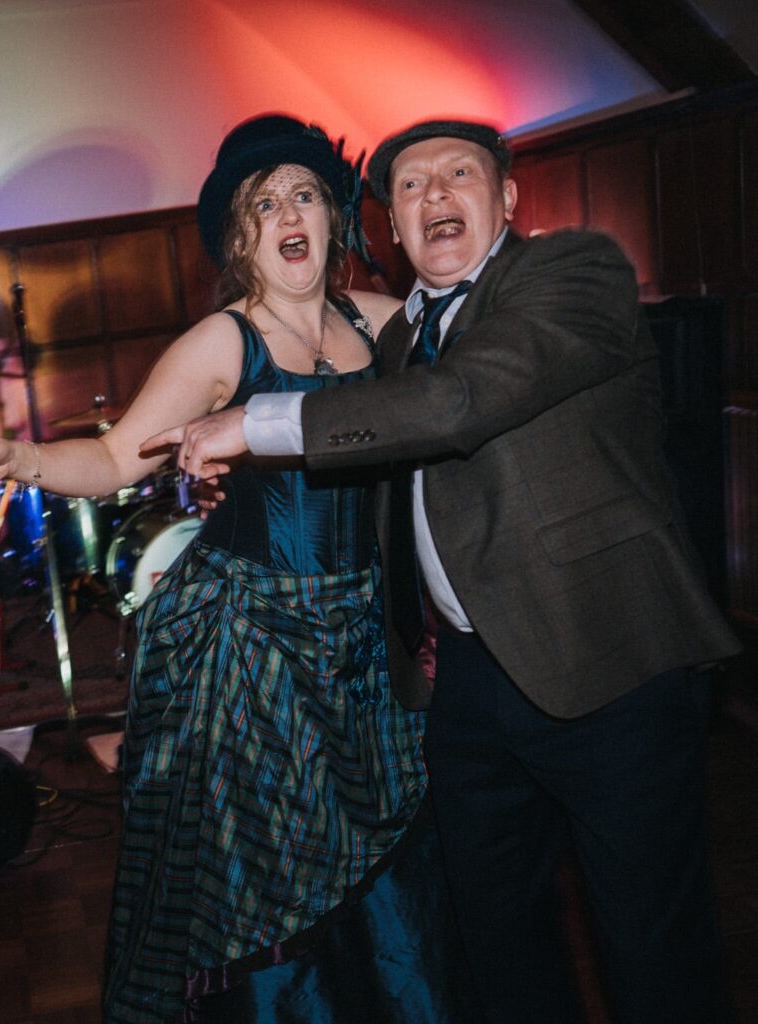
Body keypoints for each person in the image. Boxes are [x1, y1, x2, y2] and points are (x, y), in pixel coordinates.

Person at [151, 119, 741, 1024]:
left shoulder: (572, 275)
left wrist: (253, 425)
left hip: (607, 663)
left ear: (507, 198)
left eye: (456, 174)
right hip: (463, 688)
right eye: (411, 188)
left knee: (651, 948)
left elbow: (459, 404)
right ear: (391, 228)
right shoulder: (396, 341)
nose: (432, 196)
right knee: (499, 944)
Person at [0, 114, 473, 1023]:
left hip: (370, 646)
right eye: (265, 205)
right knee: (277, 869)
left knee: (388, 861)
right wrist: (19, 460)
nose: (288, 213)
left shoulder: (389, 326)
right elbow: (114, 462)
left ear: (335, 218)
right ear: (241, 238)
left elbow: (477, 391)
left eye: (304, 193)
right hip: (252, 650)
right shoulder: (225, 343)